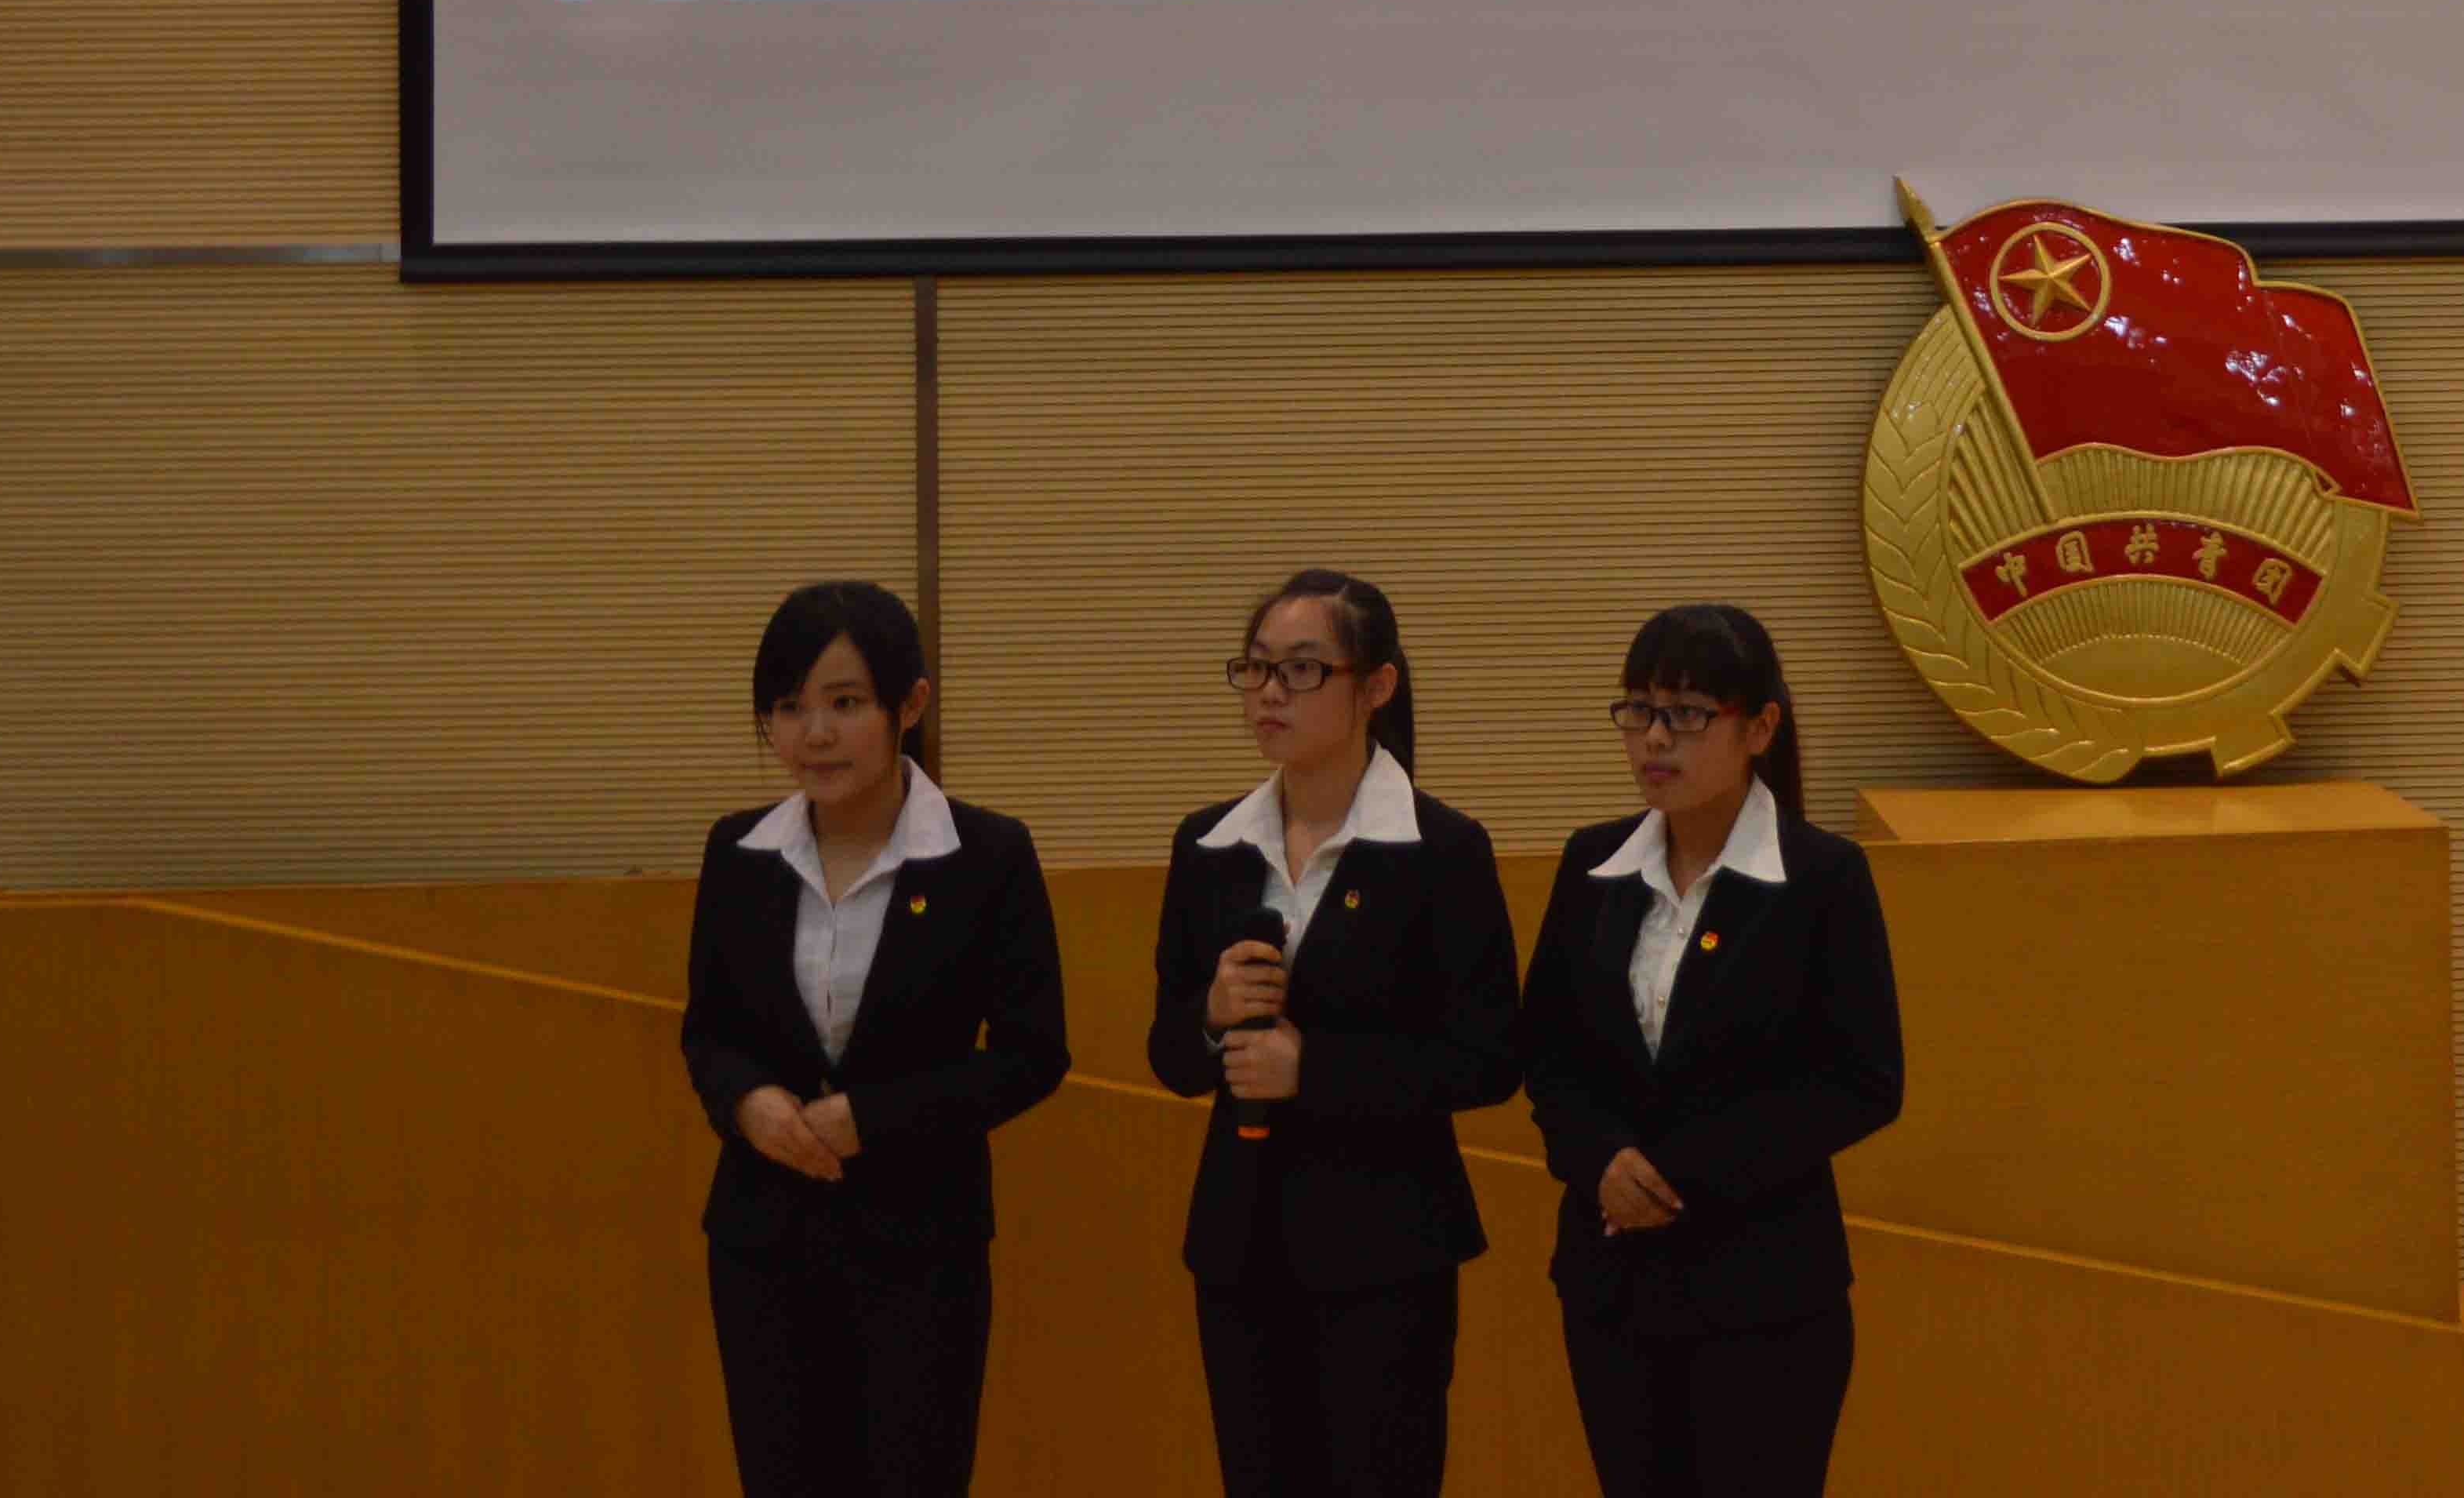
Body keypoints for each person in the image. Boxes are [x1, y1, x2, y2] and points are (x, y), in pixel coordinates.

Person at [680, 580, 1070, 1498]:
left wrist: (875, 1119)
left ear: (911, 703)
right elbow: (709, 1029)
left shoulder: (987, 856)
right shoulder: (737, 853)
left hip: (919, 1247)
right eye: (789, 707)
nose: (814, 733)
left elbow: (1031, 1052)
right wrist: (745, 1101)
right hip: (763, 1245)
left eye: (846, 702)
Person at [1150, 573, 1522, 1498]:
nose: (1269, 692)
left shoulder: (1443, 850)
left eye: (1302, 669)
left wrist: (1311, 1068)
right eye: (1255, 668)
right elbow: (1169, 1054)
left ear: (1376, 685)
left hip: (1385, 1249)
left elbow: (1486, 1058)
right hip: (1239, 1244)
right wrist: (1210, 1014)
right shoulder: (1208, 845)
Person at [1517, 605, 1904, 1498]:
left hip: (1763, 1292)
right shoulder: (1591, 866)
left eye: (1687, 713)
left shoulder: (1822, 877)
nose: (1655, 737)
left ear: (1759, 727)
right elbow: (1549, 1052)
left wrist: (1676, 1175)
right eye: (1639, 710)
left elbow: (1862, 1080)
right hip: (1613, 1287)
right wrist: (1598, 1159)